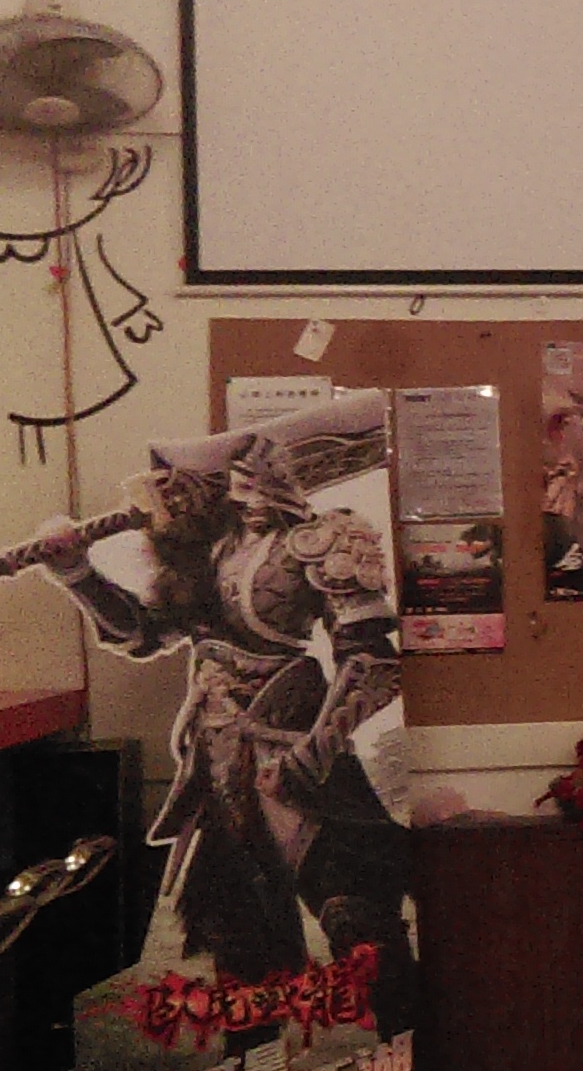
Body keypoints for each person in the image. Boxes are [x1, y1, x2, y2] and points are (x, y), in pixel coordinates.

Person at [23, 413, 414, 1021]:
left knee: (359, 922)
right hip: (218, 763)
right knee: (244, 956)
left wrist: (310, 756)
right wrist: (76, 571)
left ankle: (401, 1062)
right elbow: (142, 633)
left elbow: (372, 663)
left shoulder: (319, 539)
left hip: (298, 751)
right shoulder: (207, 554)